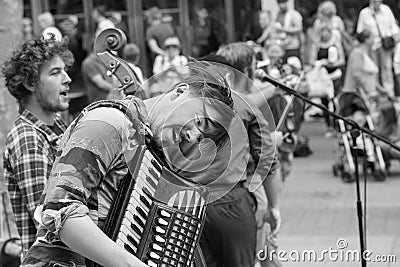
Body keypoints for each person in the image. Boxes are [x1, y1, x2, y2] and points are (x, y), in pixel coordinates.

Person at [21, 61, 236, 267]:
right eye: (199, 121)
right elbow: (61, 215)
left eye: (202, 138)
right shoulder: (111, 121)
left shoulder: (149, 149)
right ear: (180, 92)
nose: (193, 136)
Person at [1, 36, 73, 256]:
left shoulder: (57, 126)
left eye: (65, 70)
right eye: (55, 73)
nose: (67, 78)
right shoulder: (29, 139)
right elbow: (51, 225)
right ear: (30, 83)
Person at [215, 42, 283, 267]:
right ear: (246, 70)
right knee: (260, 254)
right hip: (245, 191)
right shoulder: (242, 103)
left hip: (207, 198)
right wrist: (274, 206)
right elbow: (268, 161)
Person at [357, 0, 399, 97]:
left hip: (385, 45)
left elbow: (393, 26)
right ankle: (375, 93)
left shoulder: (386, 10)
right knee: (373, 70)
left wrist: (394, 35)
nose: (378, 3)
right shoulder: (364, 13)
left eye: (379, 1)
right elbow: (360, 30)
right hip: (371, 46)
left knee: (387, 69)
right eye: (375, 1)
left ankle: (390, 93)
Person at [343, 30, 380, 99]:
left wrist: (380, 89)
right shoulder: (357, 53)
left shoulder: (366, 53)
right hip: (357, 96)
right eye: (372, 38)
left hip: (368, 94)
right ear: (366, 40)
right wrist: (367, 91)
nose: (374, 40)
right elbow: (357, 75)